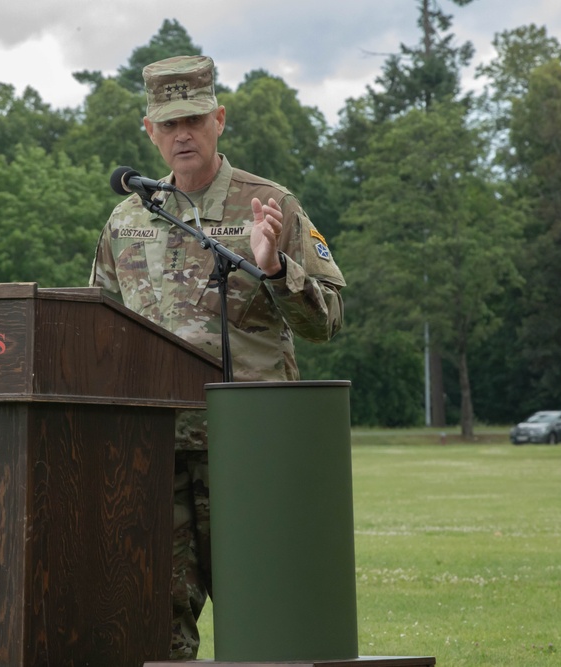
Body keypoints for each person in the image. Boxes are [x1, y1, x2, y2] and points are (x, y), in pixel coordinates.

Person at [89, 55, 346, 659]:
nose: (183, 134)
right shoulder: (127, 220)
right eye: (169, 123)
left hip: (249, 447)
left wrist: (276, 269)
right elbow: (94, 327)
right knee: (157, 606)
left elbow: (326, 322)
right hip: (154, 446)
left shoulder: (271, 206)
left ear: (220, 120)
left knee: (262, 602)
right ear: (147, 132)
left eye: (196, 119)